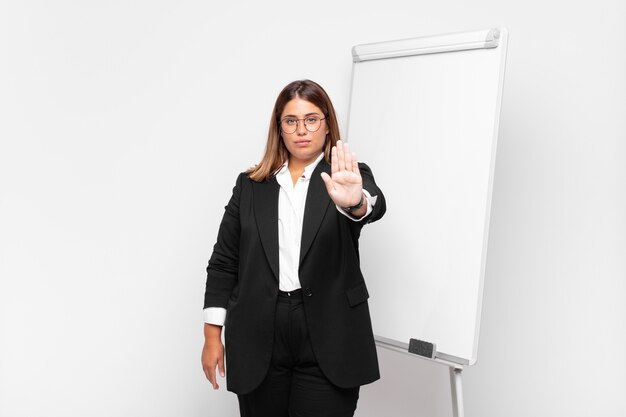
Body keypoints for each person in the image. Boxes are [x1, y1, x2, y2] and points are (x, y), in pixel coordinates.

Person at [201, 79, 386, 417]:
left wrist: (355, 202)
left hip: (328, 333)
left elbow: (371, 204)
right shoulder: (251, 185)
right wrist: (212, 335)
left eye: (312, 119)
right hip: (260, 332)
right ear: (280, 128)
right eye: (291, 120)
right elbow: (224, 262)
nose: (302, 129)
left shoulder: (347, 176)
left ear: (327, 125)